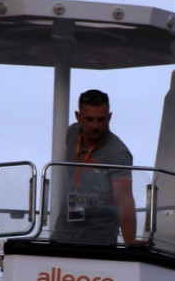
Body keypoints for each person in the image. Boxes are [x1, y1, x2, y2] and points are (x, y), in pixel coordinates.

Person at [56, 89, 140, 247]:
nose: (95, 126)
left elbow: (125, 199)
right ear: (78, 117)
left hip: (99, 241)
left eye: (101, 120)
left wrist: (130, 241)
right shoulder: (72, 133)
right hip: (62, 234)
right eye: (89, 119)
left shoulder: (118, 154)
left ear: (109, 118)